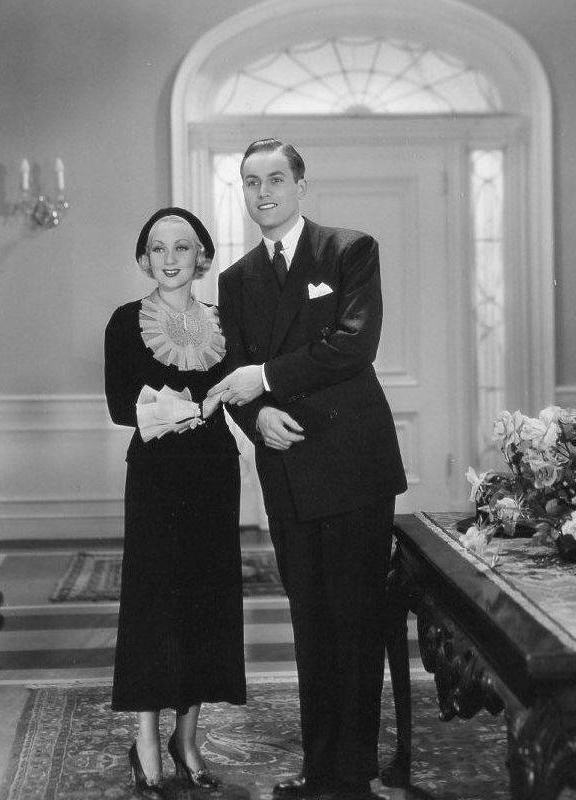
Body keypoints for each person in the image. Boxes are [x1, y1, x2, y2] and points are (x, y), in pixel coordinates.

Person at [210, 139, 407, 800]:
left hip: (353, 464)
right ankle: (320, 769)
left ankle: (354, 774)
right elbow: (230, 376)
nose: (262, 192)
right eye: (251, 182)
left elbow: (354, 344)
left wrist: (265, 378)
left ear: (300, 185)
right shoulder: (236, 279)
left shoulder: (348, 250)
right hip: (288, 466)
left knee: (354, 621)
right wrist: (256, 417)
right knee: (311, 623)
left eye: (275, 179)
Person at [104, 207, 245, 799]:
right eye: (158, 248)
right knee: (153, 602)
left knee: (205, 603)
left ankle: (186, 739)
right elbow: (121, 406)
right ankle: (144, 741)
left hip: (214, 475)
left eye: (181, 247)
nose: (169, 259)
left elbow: (239, 395)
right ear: (144, 259)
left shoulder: (223, 322)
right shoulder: (125, 322)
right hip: (156, 479)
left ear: (201, 257)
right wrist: (193, 407)